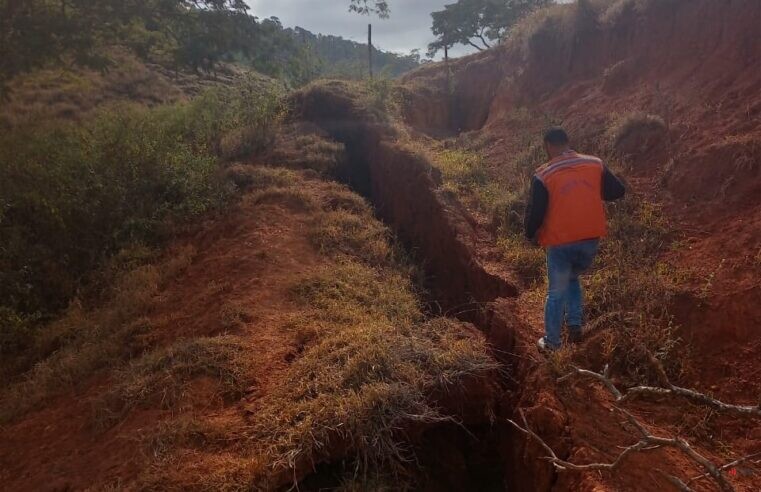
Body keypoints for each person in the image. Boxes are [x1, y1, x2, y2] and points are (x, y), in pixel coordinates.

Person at [524, 128, 626, 352]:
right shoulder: (594, 163)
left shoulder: (544, 174)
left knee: (556, 292)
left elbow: (536, 212)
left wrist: (529, 233)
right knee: (572, 278)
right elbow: (617, 191)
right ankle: (574, 325)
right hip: (590, 239)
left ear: (548, 146)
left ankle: (552, 343)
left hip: (561, 242)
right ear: (568, 142)